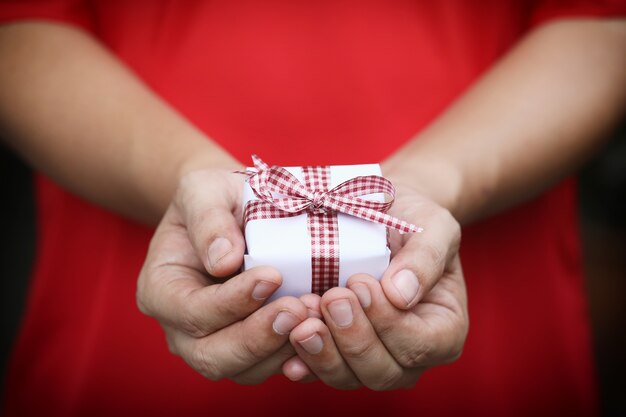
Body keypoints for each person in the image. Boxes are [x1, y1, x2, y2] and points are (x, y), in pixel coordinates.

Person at [0, 1, 625, 416]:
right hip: (126, 340)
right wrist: (188, 179)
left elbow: (600, 25)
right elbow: (21, 30)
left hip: (494, 335)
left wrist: (436, 180)